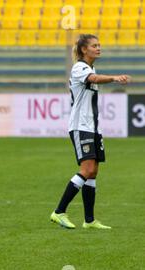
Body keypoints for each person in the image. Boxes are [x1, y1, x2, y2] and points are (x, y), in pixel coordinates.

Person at [50, 34, 131, 230]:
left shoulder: (90, 67)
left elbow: (93, 76)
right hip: (81, 126)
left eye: (99, 44)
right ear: (84, 50)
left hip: (93, 127)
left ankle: (89, 220)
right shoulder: (80, 68)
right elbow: (93, 79)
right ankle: (59, 212)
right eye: (94, 45)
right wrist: (113, 78)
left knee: (93, 171)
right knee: (86, 169)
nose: (98, 48)